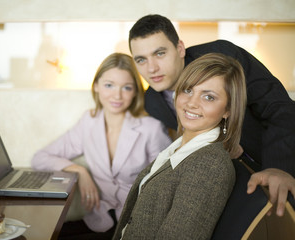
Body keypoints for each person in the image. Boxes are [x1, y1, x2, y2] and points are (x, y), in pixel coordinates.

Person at [128, 14, 295, 217]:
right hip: (234, 180)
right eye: (141, 59)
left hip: (282, 160)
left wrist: (279, 167)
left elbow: (279, 107)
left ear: (180, 49)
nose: (151, 68)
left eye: (160, 53)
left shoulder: (224, 57)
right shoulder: (153, 102)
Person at [31, 52, 172, 239]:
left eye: (127, 87)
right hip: (100, 218)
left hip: (136, 223)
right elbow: (40, 158)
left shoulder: (151, 128)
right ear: (96, 86)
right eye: (109, 85)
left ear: (136, 91)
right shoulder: (89, 122)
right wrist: (78, 170)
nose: (117, 95)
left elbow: (168, 181)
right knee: (43, 234)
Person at [113, 53, 246, 239]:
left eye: (208, 97)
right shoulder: (179, 147)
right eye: (188, 90)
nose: (192, 103)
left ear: (227, 110)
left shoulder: (209, 165)